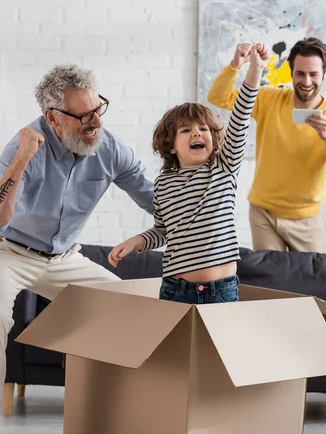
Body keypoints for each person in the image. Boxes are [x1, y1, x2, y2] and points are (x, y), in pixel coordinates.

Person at [0, 64, 154, 434]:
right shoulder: (25, 146)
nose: (95, 122)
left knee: (135, 304)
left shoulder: (109, 147)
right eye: (83, 116)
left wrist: (195, 219)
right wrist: (21, 160)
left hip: (62, 258)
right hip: (4, 251)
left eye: (99, 109)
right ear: (53, 117)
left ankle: (120, 422)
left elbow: (155, 198)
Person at [108, 44, 268, 304]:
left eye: (203, 129)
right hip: (175, 290)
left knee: (219, 346)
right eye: (186, 131)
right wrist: (135, 242)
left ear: (213, 138)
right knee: (173, 347)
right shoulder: (163, 184)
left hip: (222, 290)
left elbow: (240, 117)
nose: (196, 133)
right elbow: (162, 230)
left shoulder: (223, 167)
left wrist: (255, 71)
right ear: (171, 146)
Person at [207, 37, 326, 252]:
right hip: (263, 214)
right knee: (271, 284)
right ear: (291, 73)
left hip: (306, 220)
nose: (306, 82)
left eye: (313, 74)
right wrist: (235, 65)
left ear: (324, 74)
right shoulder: (269, 98)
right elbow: (218, 98)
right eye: (300, 73)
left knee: (306, 285)